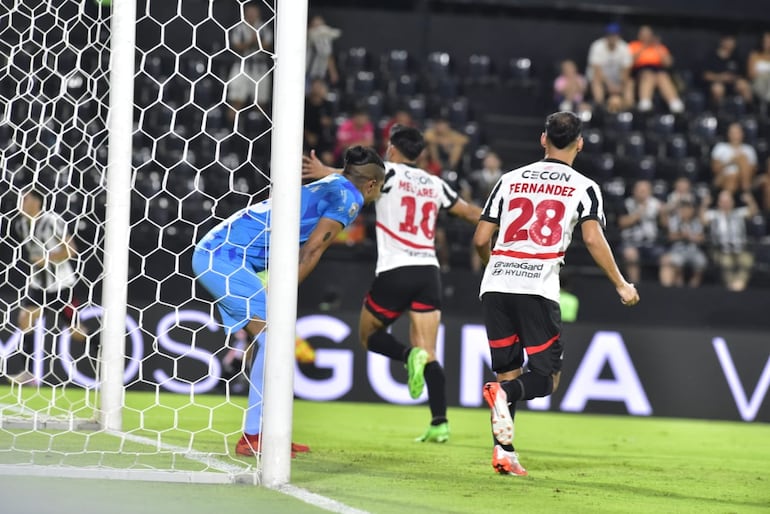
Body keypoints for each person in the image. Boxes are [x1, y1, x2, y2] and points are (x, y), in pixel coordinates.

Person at [472, 111, 639, 476]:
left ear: (542, 139)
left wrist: (493, 266)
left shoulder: (509, 179)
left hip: (496, 283)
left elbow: (481, 239)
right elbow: (593, 238)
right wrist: (621, 284)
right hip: (537, 287)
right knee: (546, 379)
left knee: (508, 372)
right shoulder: (584, 186)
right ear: (580, 144)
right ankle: (504, 404)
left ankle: (504, 453)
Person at [192, 146, 385, 457]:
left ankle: (271, 431)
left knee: (272, 343)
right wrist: (282, 293)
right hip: (223, 257)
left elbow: (345, 176)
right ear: (373, 184)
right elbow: (311, 252)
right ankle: (254, 437)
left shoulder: (336, 184)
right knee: (273, 341)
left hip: (222, 251)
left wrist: (328, 170)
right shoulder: (350, 199)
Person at [303, 125, 482, 443]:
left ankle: (406, 355)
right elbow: (469, 213)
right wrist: (501, 219)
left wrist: (323, 170)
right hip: (429, 272)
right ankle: (440, 422)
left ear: (392, 150)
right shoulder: (434, 183)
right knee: (430, 350)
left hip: (396, 270)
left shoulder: (390, 175)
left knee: (369, 335)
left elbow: (359, 178)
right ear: (421, 154)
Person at [6, 187, 88, 386]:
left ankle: (102, 351)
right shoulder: (20, 225)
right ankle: (29, 373)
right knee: (25, 320)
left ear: (36, 202)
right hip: (39, 286)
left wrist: (47, 259)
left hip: (62, 285)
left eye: (24, 200)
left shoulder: (52, 221)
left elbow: (71, 250)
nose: (20, 204)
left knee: (76, 332)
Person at [225, 2, 273, 120]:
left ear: (258, 13)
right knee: (236, 101)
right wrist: (250, 42)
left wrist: (256, 40)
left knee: (260, 102)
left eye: (254, 12)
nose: (251, 14)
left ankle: (258, 132)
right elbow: (236, 46)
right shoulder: (239, 28)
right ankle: (232, 131)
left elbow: (267, 46)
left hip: (260, 67)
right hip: (242, 66)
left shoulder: (264, 28)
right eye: (249, 12)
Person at [702, 190, 758, 291]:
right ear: (719, 203)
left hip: (740, 249)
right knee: (727, 263)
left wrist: (750, 200)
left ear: (732, 202)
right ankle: (732, 286)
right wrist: (704, 204)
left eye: (728, 201)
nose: (725, 204)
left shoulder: (739, 213)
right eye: (723, 202)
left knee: (747, 260)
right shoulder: (714, 215)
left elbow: (753, 212)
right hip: (721, 250)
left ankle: (739, 284)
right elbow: (702, 219)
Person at [617, 179, 665, 284]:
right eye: (640, 190)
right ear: (634, 191)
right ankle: (634, 286)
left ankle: (666, 290)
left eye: (645, 190)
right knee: (631, 254)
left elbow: (664, 225)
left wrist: (663, 213)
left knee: (668, 259)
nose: (642, 193)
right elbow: (622, 223)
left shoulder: (656, 204)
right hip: (630, 242)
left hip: (651, 243)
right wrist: (639, 213)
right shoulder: (627, 204)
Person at [628, 25, 684, 113]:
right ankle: (645, 103)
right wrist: (643, 48)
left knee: (663, 76)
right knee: (648, 75)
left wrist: (657, 47)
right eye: (644, 34)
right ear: (639, 36)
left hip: (658, 70)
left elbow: (668, 63)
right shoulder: (634, 45)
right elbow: (630, 62)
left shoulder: (659, 47)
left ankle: (674, 104)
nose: (646, 37)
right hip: (640, 71)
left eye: (648, 34)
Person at [659, 200, 709, 288]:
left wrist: (690, 236)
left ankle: (693, 285)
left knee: (701, 262)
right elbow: (670, 236)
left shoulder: (696, 222)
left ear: (692, 211)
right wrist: (681, 235)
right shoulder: (674, 220)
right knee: (677, 262)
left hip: (694, 250)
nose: (685, 212)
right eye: (683, 210)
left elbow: (701, 238)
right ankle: (680, 286)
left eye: (687, 210)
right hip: (678, 250)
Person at [586, 22, 635, 111]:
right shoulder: (597, 46)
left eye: (614, 35)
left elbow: (626, 71)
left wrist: (620, 85)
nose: (612, 37)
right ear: (606, 36)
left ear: (618, 36)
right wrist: (609, 85)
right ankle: (599, 106)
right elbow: (597, 70)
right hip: (602, 80)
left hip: (618, 81)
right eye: (610, 35)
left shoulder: (624, 47)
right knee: (596, 80)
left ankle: (628, 107)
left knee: (630, 82)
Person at [701, 34, 753, 109]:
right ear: (722, 42)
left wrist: (733, 78)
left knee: (743, 85)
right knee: (718, 88)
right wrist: (721, 77)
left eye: (733, 42)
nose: (731, 44)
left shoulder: (736, 58)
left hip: (732, 84)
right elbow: (705, 75)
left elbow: (742, 74)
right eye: (729, 41)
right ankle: (719, 113)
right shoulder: (711, 56)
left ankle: (749, 113)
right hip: (716, 83)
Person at [711, 121, 758, 194]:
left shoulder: (749, 149)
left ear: (742, 134)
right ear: (728, 134)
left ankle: (739, 191)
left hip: (742, 177)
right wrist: (731, 161)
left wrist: (739, 163)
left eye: (737, 133)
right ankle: (746, 192)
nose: (735, 135)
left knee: (742, 158)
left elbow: (752, 171)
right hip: (722, 177)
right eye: (732, 133)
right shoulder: (720, 147)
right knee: (733, 175)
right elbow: (715, 169)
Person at [303, 78, 336, 165]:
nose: (317, 90)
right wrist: (308, 135)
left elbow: (332, 122)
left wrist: (328, 122)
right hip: (305, 138)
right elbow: (300, 124)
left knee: (328, 158)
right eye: (315, 87)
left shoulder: (327, 105)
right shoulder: (304, 104)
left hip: (322, 139)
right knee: (303, 158)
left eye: (319, 87)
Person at [306, 15, 340, 86]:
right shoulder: (304, 37)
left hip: (318, 76)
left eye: (321, 25)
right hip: (304, 74)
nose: (319, 29)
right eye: (316, 26)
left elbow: (328, 56)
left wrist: (333, 72)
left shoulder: (325, 40)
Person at [747, 31, 770, 105]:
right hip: (758, 83)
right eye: (765, 41)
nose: (767, 43)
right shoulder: (754, 55)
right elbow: (751, 74)